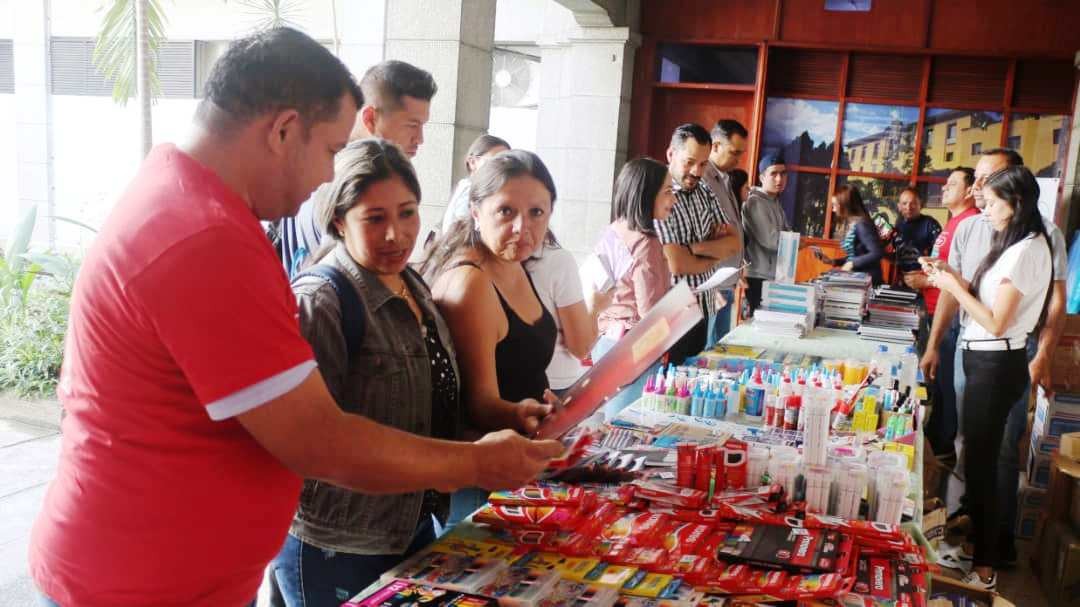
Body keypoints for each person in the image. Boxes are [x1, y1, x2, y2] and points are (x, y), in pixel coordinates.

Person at [28, 29, 560, 607]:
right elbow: (320, 441)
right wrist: (478, 462)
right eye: (332, 150)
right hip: (139, 584)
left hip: (163, 571)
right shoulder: (205, 237)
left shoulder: (188, 202)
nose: (328, 178)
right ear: (283, 130)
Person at [267, 139, 465, 604]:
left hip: (409, 526)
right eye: (375, 219)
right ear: (339, 221)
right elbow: (312, 443)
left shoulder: (414, 285)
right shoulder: (321, 301)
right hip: (337, 544)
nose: (396, 234)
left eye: (408, 213)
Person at [922, 148, 1068, 572]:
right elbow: (977, 294)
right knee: (977, 452)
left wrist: (1043, 354)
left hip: (998, 357)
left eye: (989, 187)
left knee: (994, 456)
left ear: (1014, 192)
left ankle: (990, 555)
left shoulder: (1031, 246)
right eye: (978, 184)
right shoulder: (997, 237)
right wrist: (945, 278)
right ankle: (979, 536)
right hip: (976, 351)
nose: (979, 195)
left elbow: (998, 318)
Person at [423, 150, 562, 527]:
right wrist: (527, 412)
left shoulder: (513, 262)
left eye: (537, 212)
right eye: (506, 212)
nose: (523, 227)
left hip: (517, 464)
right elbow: (478, 404)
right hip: (481, 478)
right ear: (475, 210)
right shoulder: (471, 282)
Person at [280, 60, 438, 277]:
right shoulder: (333, 178)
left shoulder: (322, 165)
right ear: (370, 118)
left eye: (406, 213)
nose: (420, 139)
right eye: (412, 125)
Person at [591, 157, 677, 418]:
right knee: (626, 424)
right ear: (646, 194)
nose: (673, 200)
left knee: (612, 421)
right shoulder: (646, 242)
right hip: (633, 344)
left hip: (606, 339)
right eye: (668, 192)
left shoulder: (615, 229)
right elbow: (650, 310)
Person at [656, 123, 741, 364]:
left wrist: (696, 248)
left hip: (702, 311)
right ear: (671, 154)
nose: (696, 171)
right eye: (689, 162)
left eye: (703, 164)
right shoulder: (657, 194)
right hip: (671, 315)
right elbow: (676, 263)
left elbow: (733, 243)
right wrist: (714, 254)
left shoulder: (705, 191)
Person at [914, 168, 978, 463]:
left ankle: (944, 450)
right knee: (937, 386)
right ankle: (939, 445)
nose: (944, 188)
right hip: (936, 311)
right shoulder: (954, 222)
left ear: (969, 190)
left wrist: (927, 280)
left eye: (952, 184)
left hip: (951, 318)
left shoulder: (970, 222)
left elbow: (962, 278)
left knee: (946, 387)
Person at [528, 238, 612, 394]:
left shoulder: (489, 260)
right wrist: (594, 308)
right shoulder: (557, 260)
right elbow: (581, 348)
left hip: (514, 381)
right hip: (553, 383)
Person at [701, 119, 750, 341]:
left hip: (727, 279)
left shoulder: (725, 178)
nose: (738, 159)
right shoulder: (703, 178)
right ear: (716, 146)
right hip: (712, 282)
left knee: (719, 344)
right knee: (707, 348)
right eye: (734, 153)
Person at [741, 151, 791, 313]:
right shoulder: (754, 202)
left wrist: (793, 240)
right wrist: (797, 243)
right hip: (758, 276)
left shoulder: (775, 201)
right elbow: (772, 241)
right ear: (762, 177)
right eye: (774, 174)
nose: (779, 179)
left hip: (774, 276)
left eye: (783, 174)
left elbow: (787, 231)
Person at [814, 184, 885, 284]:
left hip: (868, 282)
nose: (833, 209)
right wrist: (833, 261)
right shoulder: (851, 223)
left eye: (835, 205)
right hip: (857, 279)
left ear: (844, 205)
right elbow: (855, 255)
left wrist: (852, 263)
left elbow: (877, 253)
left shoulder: (862, 224)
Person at [441, 134, 511, 232]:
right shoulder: (470, 191)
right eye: (493, 161)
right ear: (472, 162)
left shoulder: (471, 187)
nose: (499, 167)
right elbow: (464, 232)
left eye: (505, 162)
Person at [892, 187, 941, 286]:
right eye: (904, 203)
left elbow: (941, 254)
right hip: (901, 278)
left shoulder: (930, 224)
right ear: (899, 206)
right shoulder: (899, 224)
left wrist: (926, 277)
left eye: (913, 203)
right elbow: (894, 252)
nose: (909, 207)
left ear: (920, 205)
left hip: (924, 280)